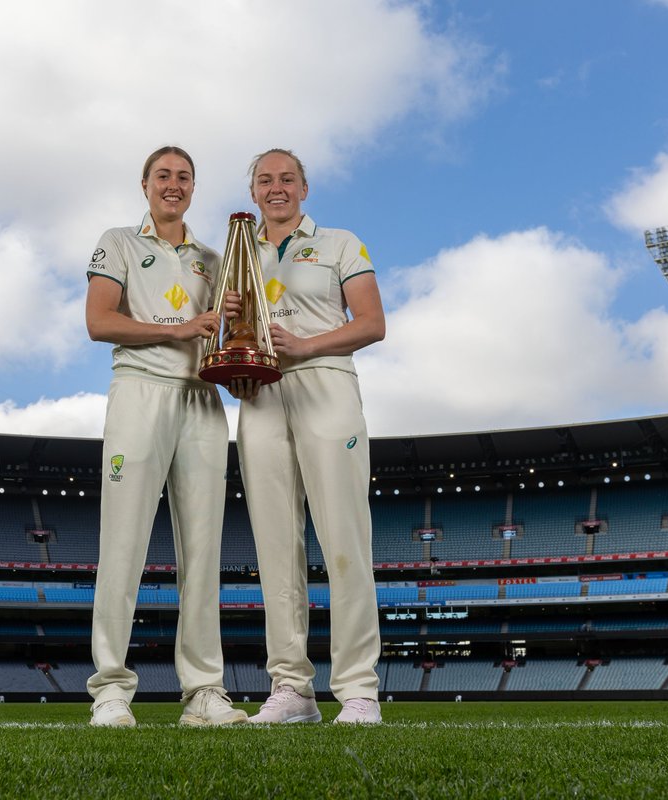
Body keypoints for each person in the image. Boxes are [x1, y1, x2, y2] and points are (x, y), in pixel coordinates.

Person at [84, 145, 246, 728]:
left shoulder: (212, 257)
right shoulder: (119, 241)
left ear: (194, 188)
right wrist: (179, 328)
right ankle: (110, 689)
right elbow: (100, 321)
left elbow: (221, 333)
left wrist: (233, 328)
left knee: (203, 551)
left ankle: (203, 692)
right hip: (140, 391)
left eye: (183, 177)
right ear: (145, 185)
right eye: (163, 176)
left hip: (201, 400)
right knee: (123, 541)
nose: (173, 185)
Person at [230, 147, 386, 725]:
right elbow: (235, 334)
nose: (277, 188)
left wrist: (308, 345)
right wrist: (238, 370)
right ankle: (292, 689)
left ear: (304, 188)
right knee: (275, 548)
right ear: (253, 193)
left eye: (287, 179)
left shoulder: (341, 242)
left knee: (344, 539)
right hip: (263, 397)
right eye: (266, 180)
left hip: (325, 383)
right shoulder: (240, 254)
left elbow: (372, 322)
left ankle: (358, 689)